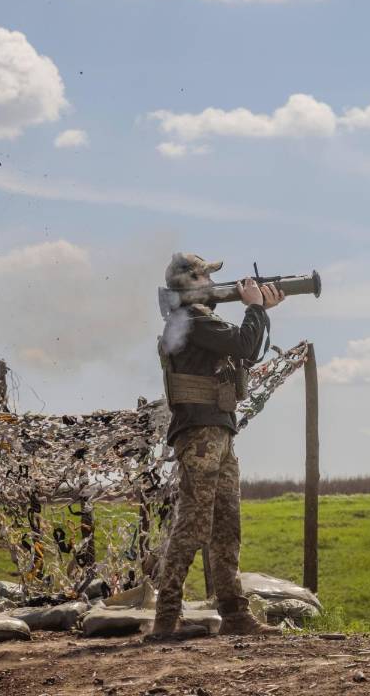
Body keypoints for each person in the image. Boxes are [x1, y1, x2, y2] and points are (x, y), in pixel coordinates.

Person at [147, 253, 285, 641]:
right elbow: (243, 344)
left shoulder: (197, 320)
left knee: (227, 526)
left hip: (217, 431)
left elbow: (245, 349)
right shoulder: (192, 320)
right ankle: (166, 618)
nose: (211, 282)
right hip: (201, 435)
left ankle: (234, 614)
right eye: (205, 276)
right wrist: (255, 308)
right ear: (189, 281)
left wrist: (260, 310)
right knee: (193, 525)